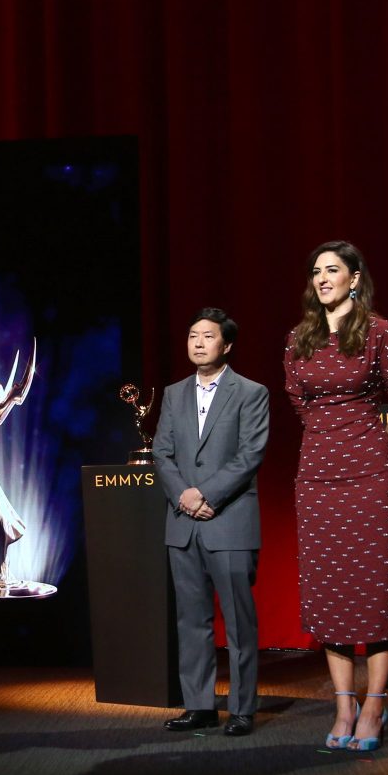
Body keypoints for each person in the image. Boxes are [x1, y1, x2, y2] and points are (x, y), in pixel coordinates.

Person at [284, 240, 388, 752]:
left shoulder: (381, 332)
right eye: (316, 271)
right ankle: (343, 706)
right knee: (330, 590)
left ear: (355, 278)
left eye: (332, 270)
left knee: (375, 588)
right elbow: (298, 400)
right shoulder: (299, 337)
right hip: (316, 478)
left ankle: (375, 705)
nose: (322, 278)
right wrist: (330, 442)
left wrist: (375, 447)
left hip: (370, 477)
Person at [153, 308, 270, 737]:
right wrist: (184, 496)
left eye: (207, 336)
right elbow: (162, 453)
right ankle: (199, 705)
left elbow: (250, 454)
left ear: (227, 345)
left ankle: (242, 709)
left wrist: (207, 494)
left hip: (230, 521)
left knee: (239, 622)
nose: (198, 343)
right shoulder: (173, 393)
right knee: (191, 619)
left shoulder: (251, 392)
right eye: (192, 336)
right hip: (183, 523)